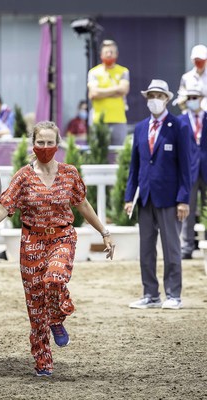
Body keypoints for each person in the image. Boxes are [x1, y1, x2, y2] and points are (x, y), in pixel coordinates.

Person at [0, 121, 114, 377]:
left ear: (57, 144)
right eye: (40, 142)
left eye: (50, 142)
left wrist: (105, 232)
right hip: (32, 243)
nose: (45, 147)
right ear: (34, 144)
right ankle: (43, 360)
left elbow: (83, 205)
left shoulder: (69, 173)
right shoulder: (23, 177)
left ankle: (56, 318)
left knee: (54, 279)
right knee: (35, 306)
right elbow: (4, 208)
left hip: (62, 237)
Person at [124, 79, 192, 310]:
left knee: (171, 247)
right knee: (146, 249)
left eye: (159, 96)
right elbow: (135, 165)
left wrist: (184, 199)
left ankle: (173, 294)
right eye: (151, 96)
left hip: (170, 198)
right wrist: (128, 196)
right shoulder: (141, 128)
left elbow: (186, 166)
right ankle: (150, 294)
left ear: (167, 99)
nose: (155, 100)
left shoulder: (179, 126)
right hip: (145, 196)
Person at [177, 82, 206, 259]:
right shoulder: (180, 121)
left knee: (206, 209)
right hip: (188, 170)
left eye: (195, 97)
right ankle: (187, 246)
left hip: (206, 169)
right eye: (190, 98)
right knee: (187, 207)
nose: (192, 101)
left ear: (201, 99)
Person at [87, 39, 130, 145]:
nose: (109, 54)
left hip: (118, 120)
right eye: (106, 52)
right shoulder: (94, 72)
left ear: (117, 54)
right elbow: (94, 93)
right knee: (98, 155)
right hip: (98, 121)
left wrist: (102, 93)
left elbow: (124, 90)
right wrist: (116, 90)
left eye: (112, 52)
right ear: (101, 54)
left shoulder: (123, 71)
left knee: (118, 154)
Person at [179, 44, 207, 111]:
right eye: (196, 60)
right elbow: (181, 98)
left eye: (201, 60)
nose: (199, 62)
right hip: (192, 116)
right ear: (192, 60)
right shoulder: (186, 78)